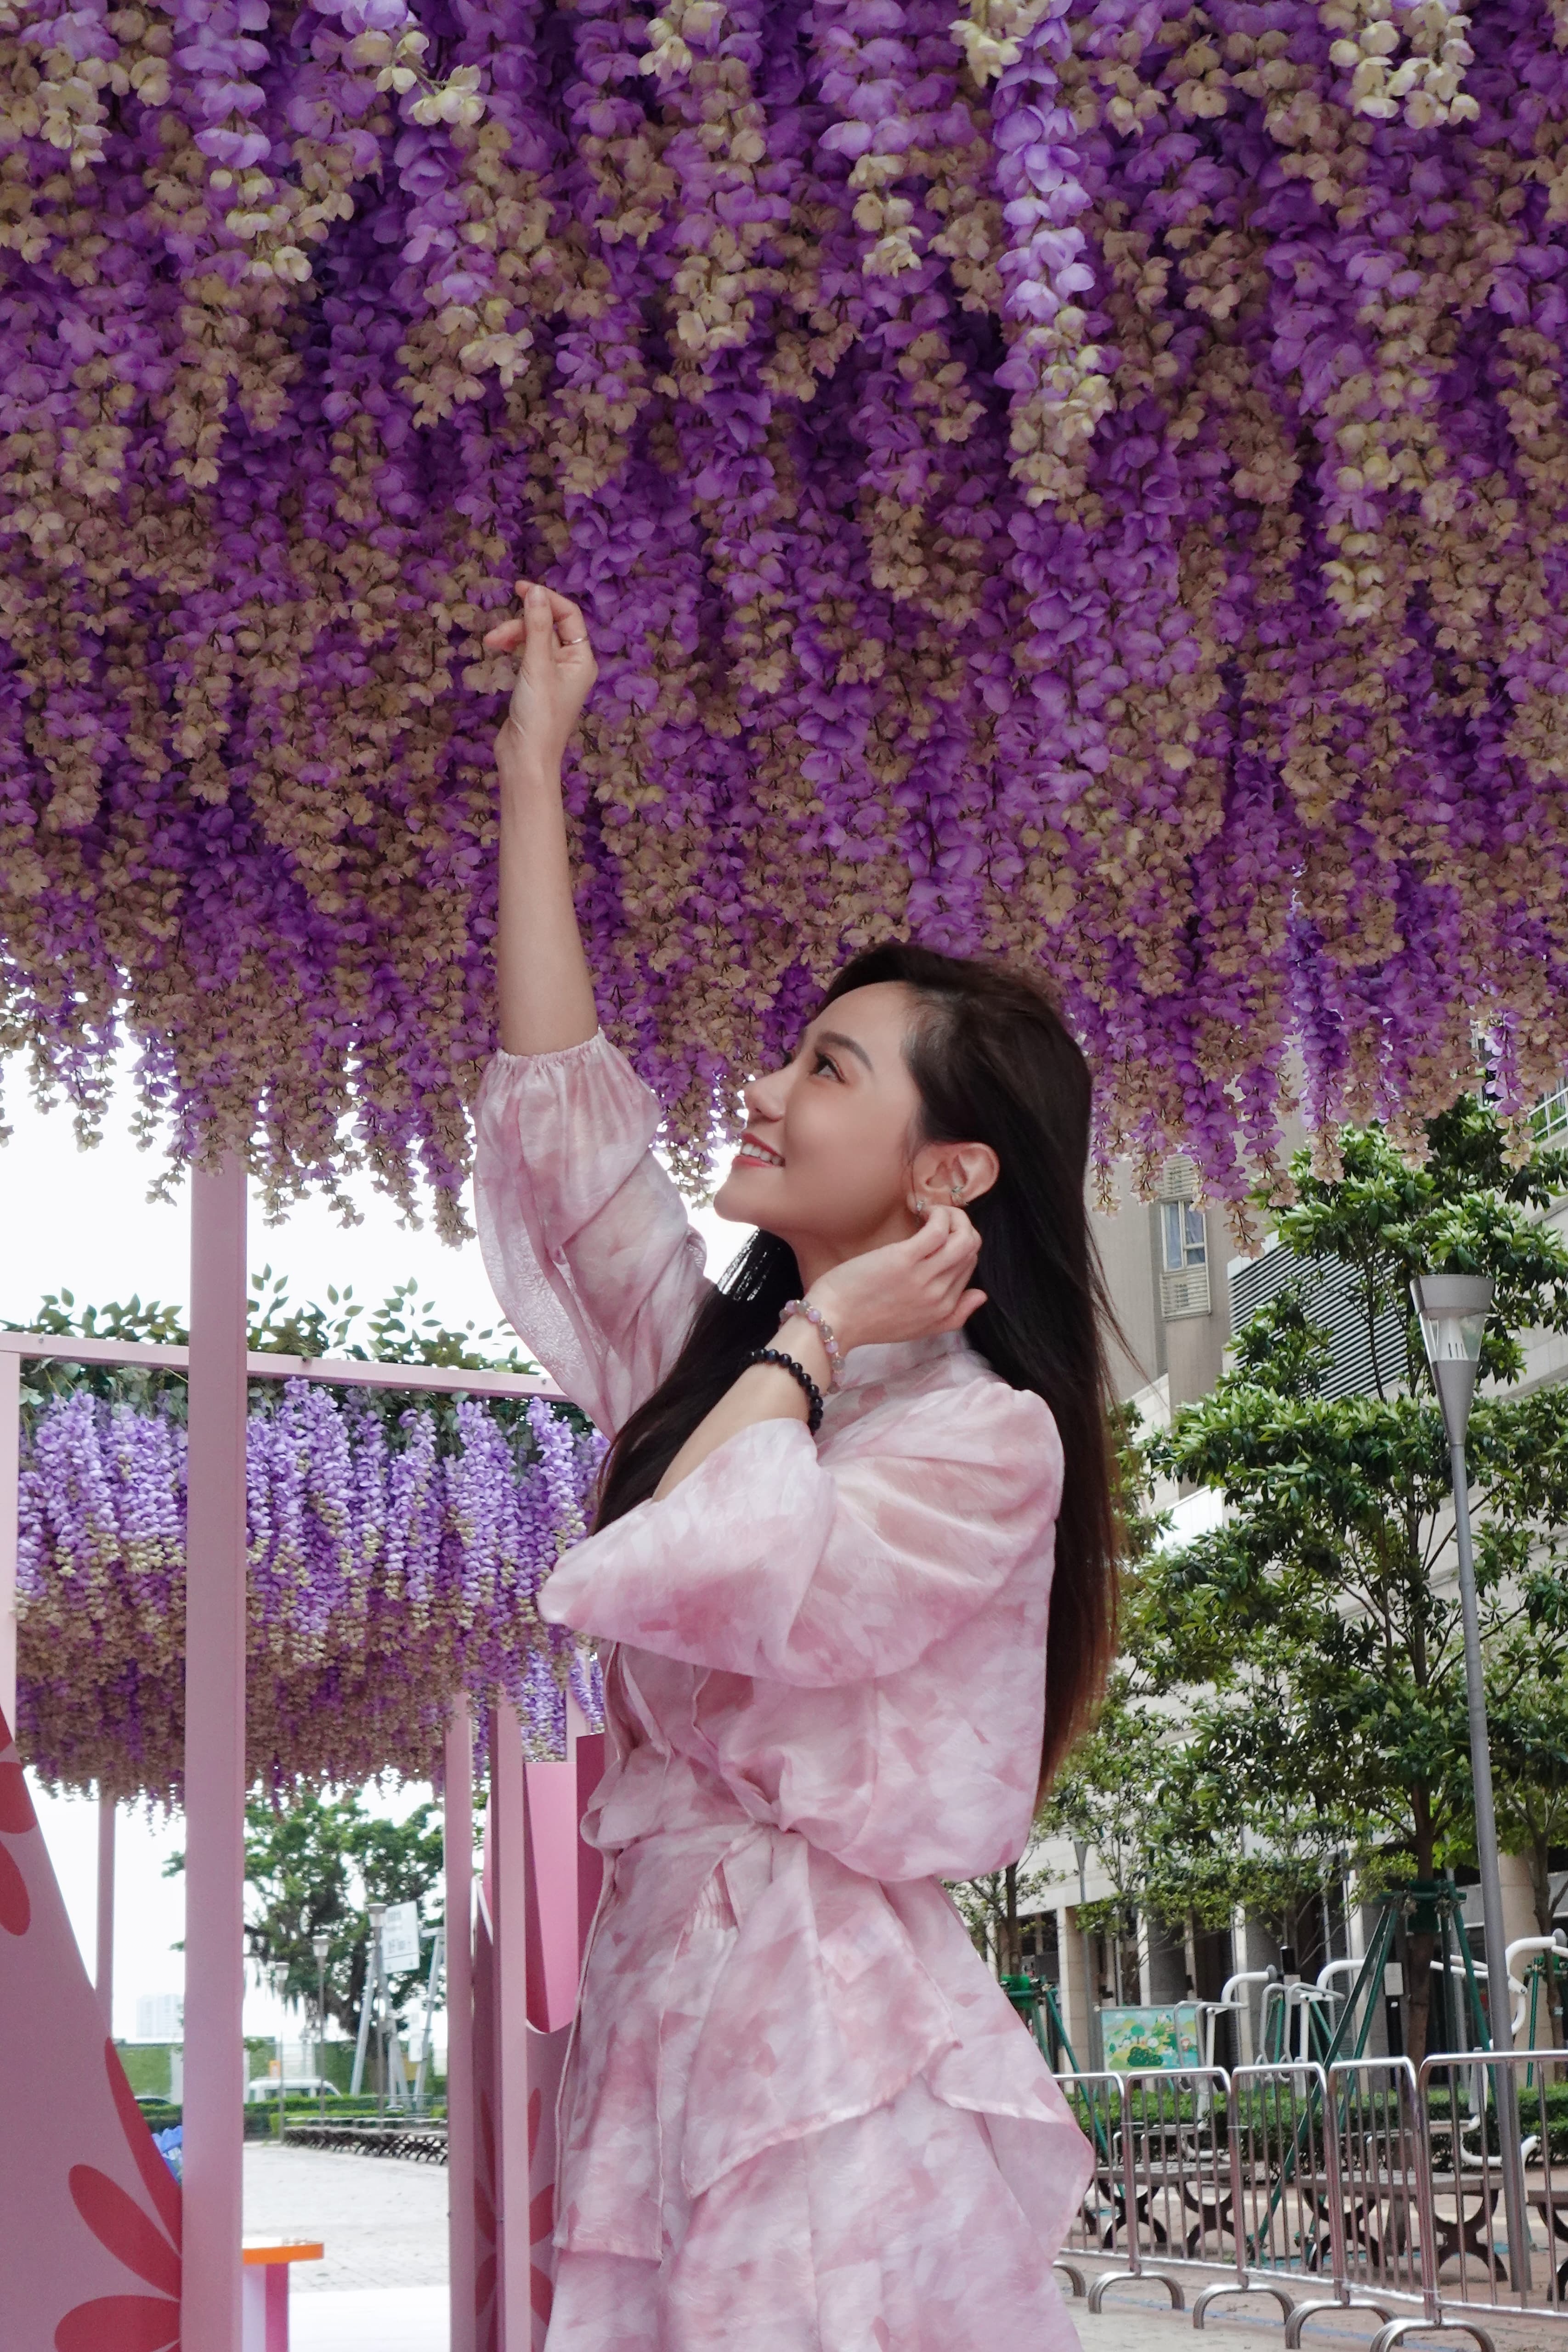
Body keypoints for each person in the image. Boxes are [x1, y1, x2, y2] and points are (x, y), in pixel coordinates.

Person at [473, 579, 1120, 2351]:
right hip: (658, 2001)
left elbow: (725, 1567)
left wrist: (817, 1338)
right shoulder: (723, 1367)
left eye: (827, 1068)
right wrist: (535, 768)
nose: (763, 1088)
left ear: (951, 1173)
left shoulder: (985, 1436)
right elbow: (569, 1138)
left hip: (821, 2028)